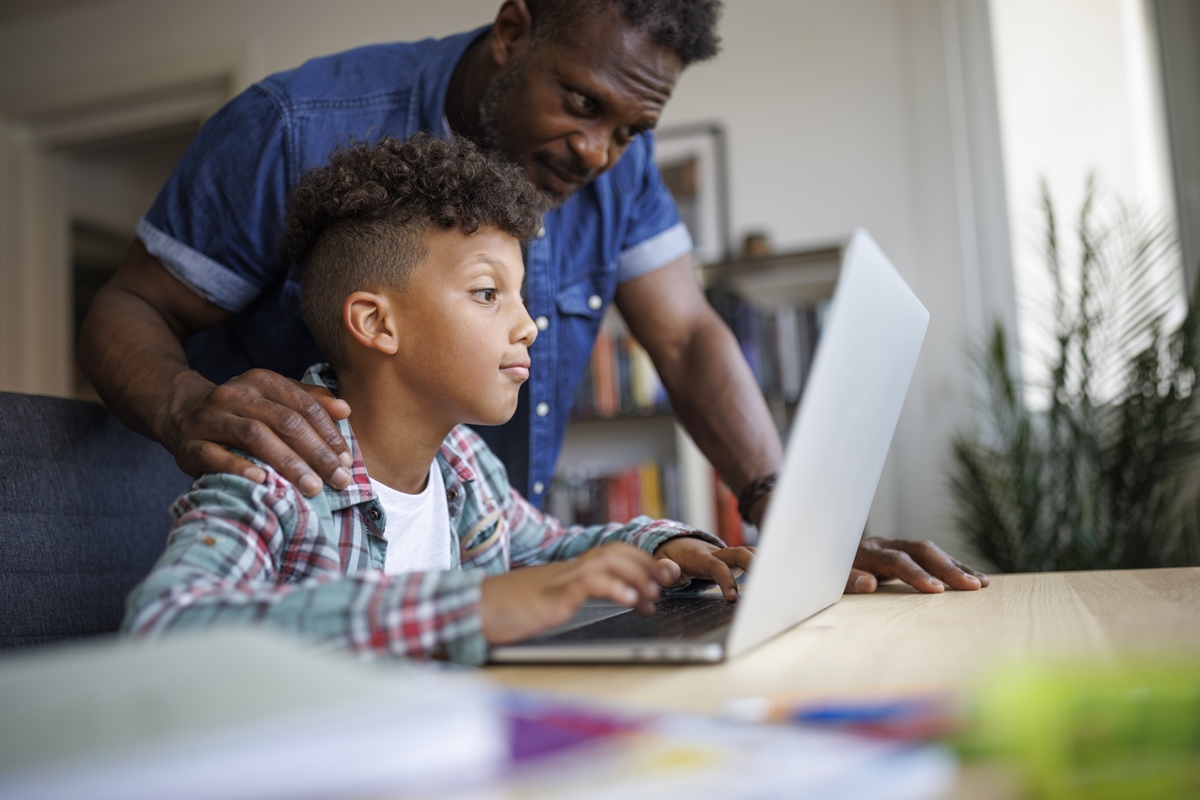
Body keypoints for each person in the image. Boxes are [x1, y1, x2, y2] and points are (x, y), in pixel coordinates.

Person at [83, 0, 988, 595]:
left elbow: (685, 338)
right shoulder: (292, 128)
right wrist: (184, 402)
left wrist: (782, 513)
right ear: (513, 32)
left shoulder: (467, 480)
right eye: (580, 103)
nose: (598, 154)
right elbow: (131, 305)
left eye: (632, 130)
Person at [122, 135, 755, 662]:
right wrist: (474, 606)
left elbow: (550, 550)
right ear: (377, 324)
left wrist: (667, 548)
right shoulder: (276, 471)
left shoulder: (462, 463)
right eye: (487, 294)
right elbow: (168, 626)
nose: (528, 325)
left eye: (521, 296)